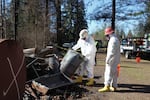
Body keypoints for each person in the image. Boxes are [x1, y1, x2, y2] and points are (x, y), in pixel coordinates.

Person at [98, 27, 120, 92]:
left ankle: (106, 86)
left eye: (106, 35)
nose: (106, 37)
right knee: (114, 73)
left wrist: (107, 59)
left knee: (108, 73)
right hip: (116, 60)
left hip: (111, 60)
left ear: (109, 34)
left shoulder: (112, 40)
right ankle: (114, 86)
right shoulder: (116, 39)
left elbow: (111, 52)